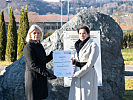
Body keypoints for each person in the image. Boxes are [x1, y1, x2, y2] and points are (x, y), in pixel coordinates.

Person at [23, 24, 56, 100]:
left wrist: (52, 55)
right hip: (33, 79)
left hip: (41, 78)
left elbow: (43, 61)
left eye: (38, 33)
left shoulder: (39, 45)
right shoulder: (28, 47)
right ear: (30, 34)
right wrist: (48, 74)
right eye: (34, 33)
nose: (37, 35)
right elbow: (33, 65)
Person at [68, 26, 99, 100]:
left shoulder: (93, 45)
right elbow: (78, 60)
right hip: (77, 72)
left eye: (84, 33)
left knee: (87, 96)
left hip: (88, 74)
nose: (82, 35)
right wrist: (73, 61)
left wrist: (79, 73)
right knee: (77, 95)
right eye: (80, 33)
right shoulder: (77, 45)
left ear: (88, 34)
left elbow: (90, 63)